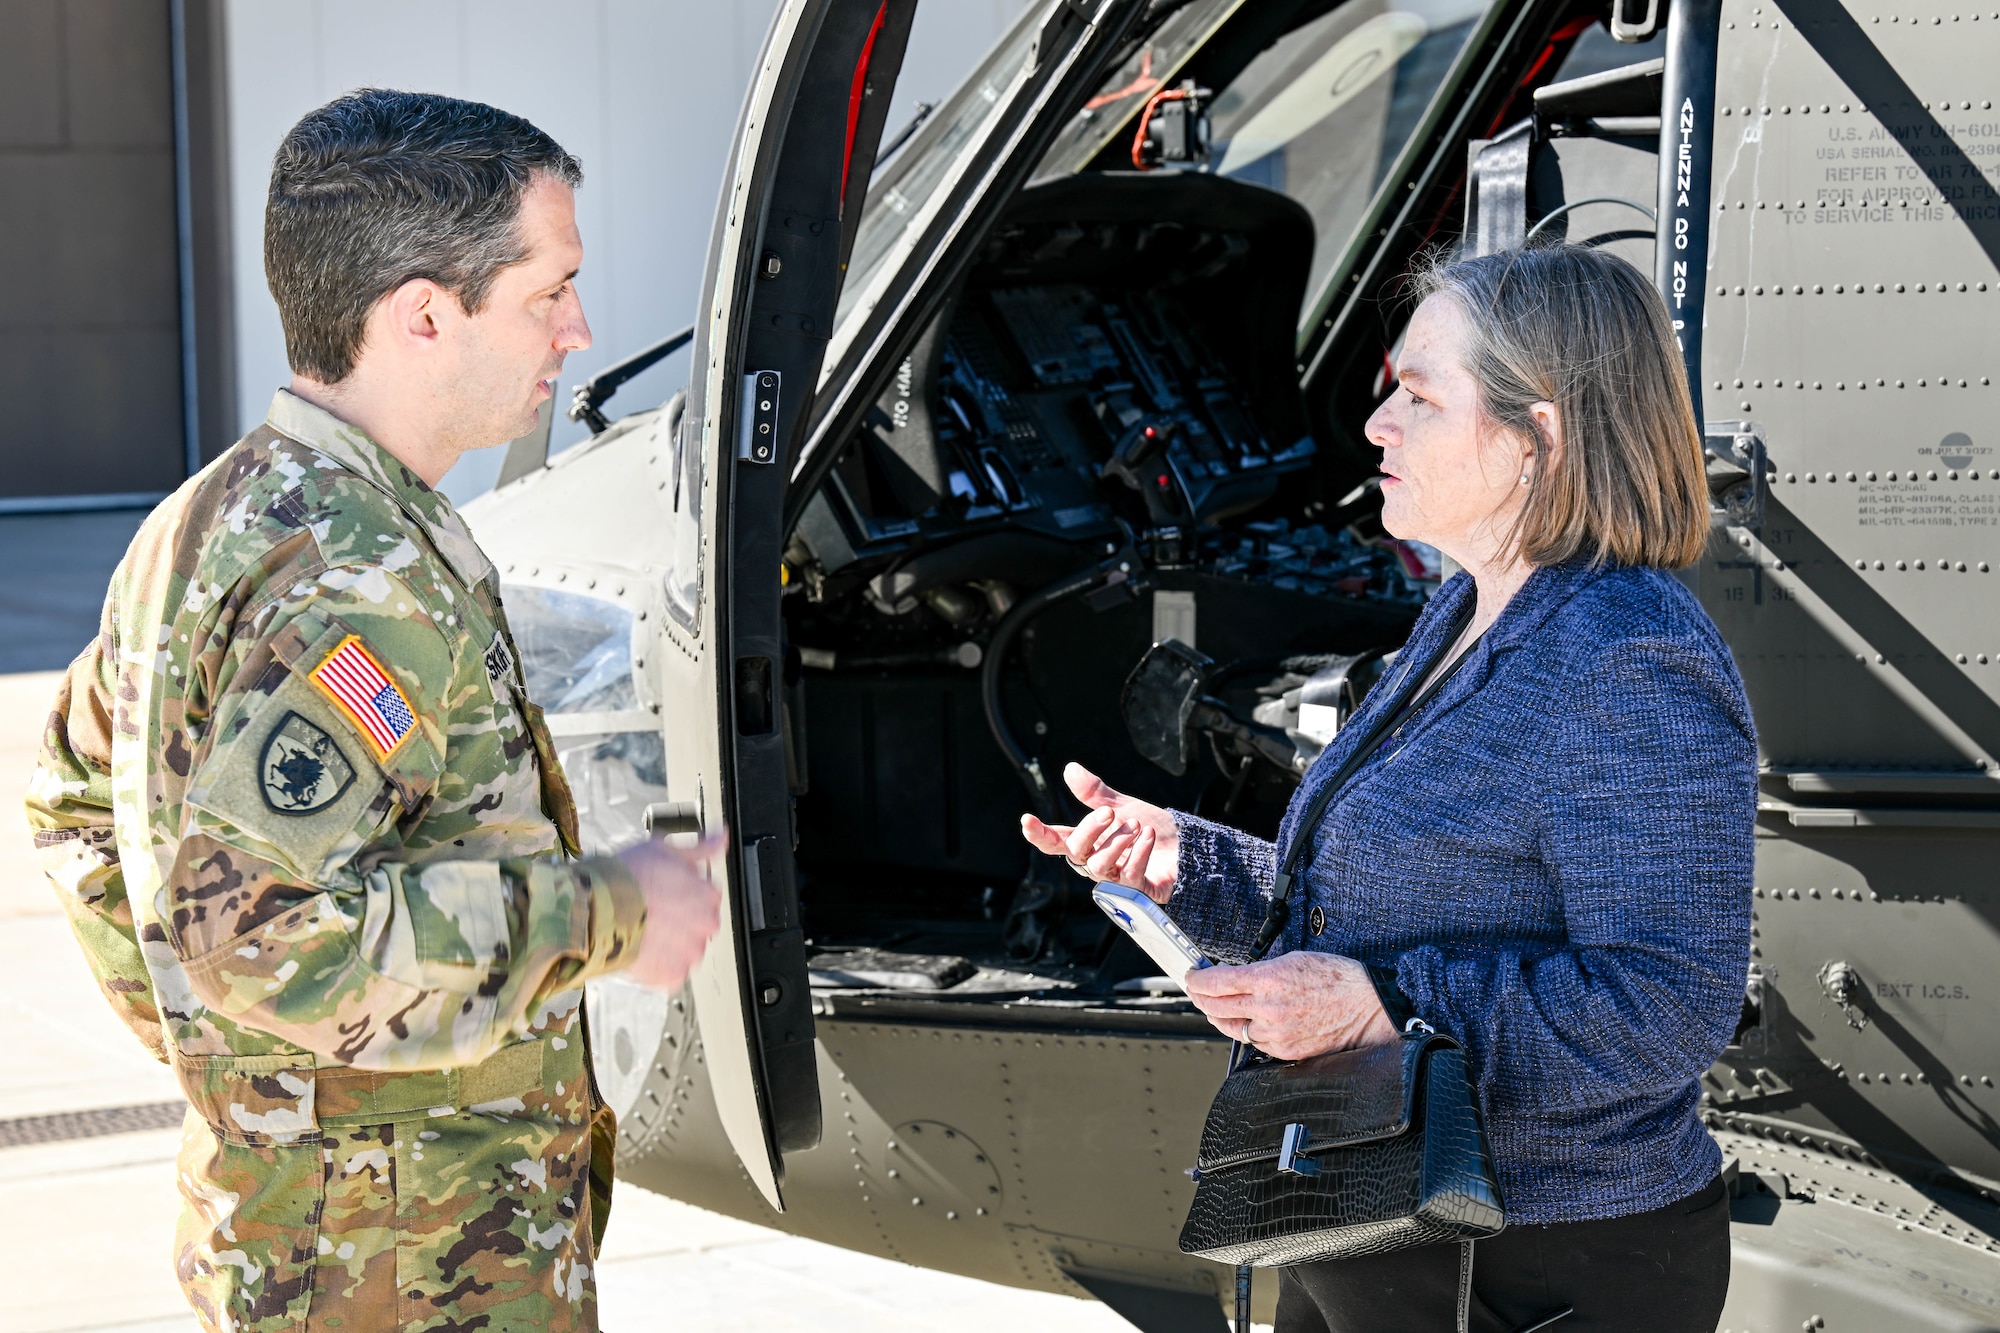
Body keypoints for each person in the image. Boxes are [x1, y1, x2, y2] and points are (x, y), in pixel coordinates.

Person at [26, 90, 723, 1333]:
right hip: (408, 1267)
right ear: (422, 315)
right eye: (546, 292)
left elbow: (73, 800)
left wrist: (242, 1068)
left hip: (318, 1233)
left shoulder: (206, 517)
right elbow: (259, 939)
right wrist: (612, 909)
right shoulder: (368, 583)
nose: (578, 329)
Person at [1024, 246, 1754, 1332]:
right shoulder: (1463, 616)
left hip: (1537, 1269)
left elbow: (1663, 1002)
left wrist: (1388, 1010)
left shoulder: (1627, 659)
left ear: (1534, 440)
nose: (1375, 424)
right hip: (1381, 1221)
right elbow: (1392, 903)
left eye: (1417, 396)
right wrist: (1195, 864)